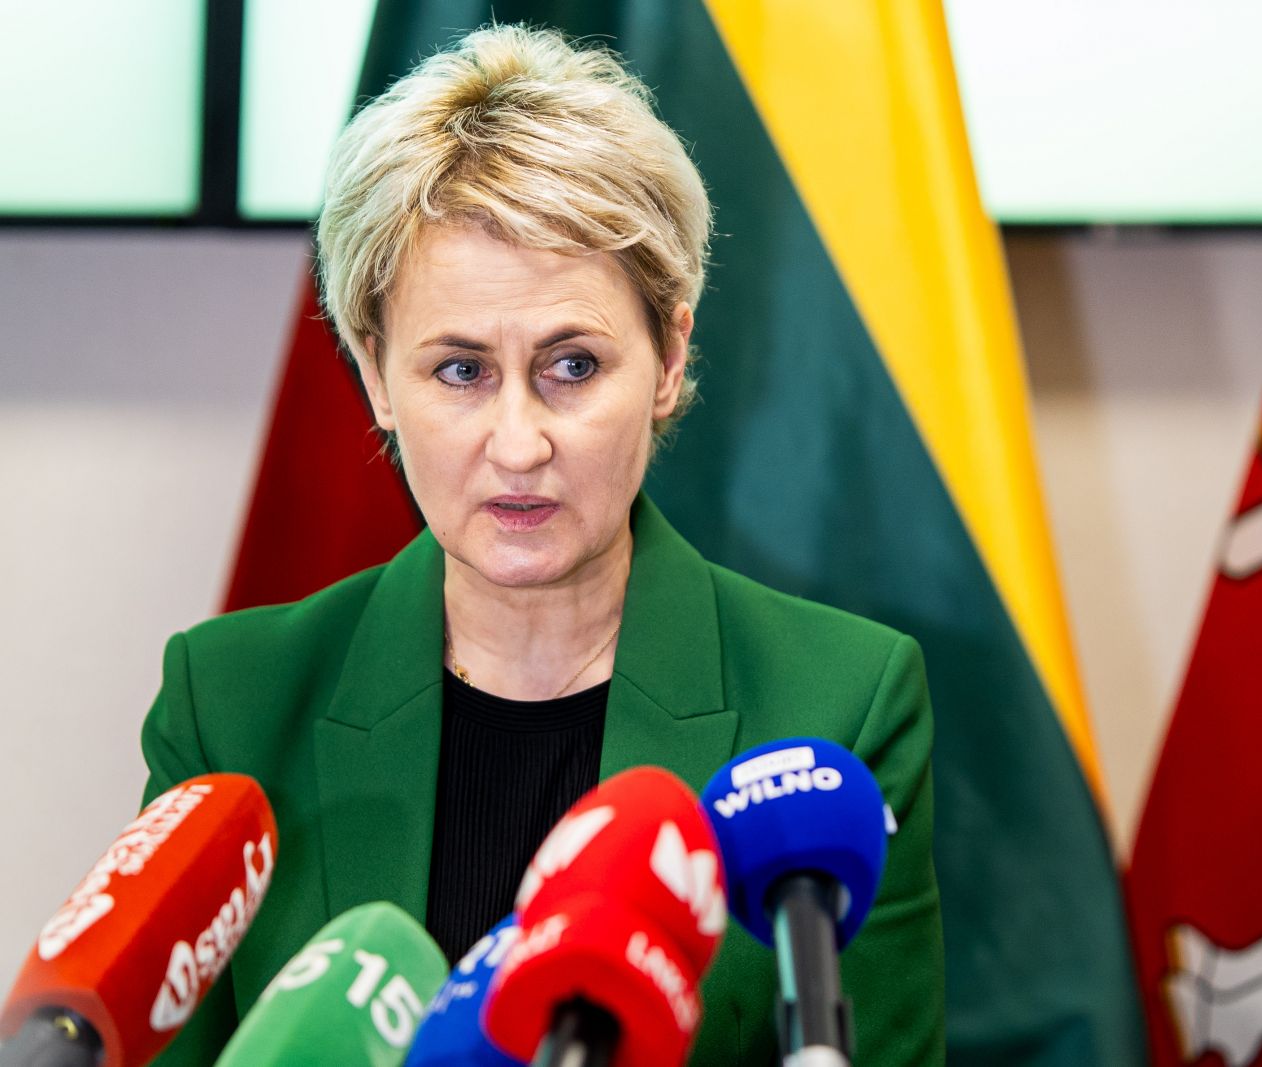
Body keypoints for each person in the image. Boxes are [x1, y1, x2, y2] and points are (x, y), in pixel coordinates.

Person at [139, 24, 943, 1066]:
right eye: (460, 370)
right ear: (376, 374)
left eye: (571, 366)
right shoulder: (232, 705)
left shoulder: (841, 704)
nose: (518, 444)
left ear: (668, 359)